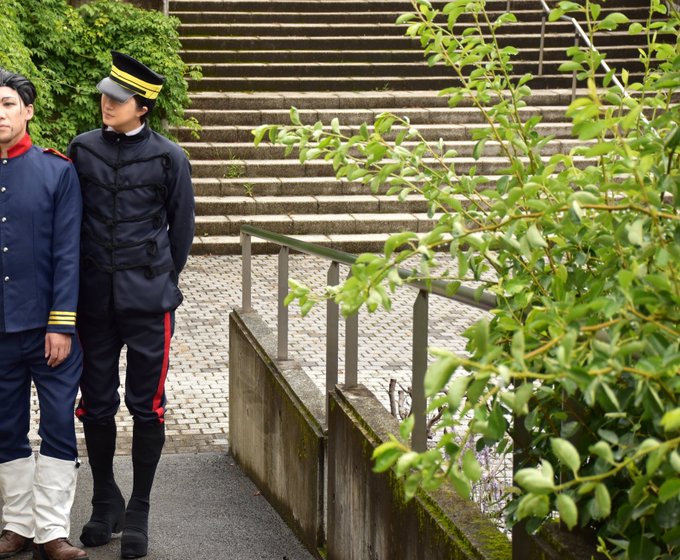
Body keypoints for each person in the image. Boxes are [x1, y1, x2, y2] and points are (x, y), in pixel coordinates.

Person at [67, 51, 194, 559]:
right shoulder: (82, 149)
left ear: (142, 107)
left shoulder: (170, 158)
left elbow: (181, 232)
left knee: (148, 405)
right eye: (105, 95)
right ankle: (105, 499)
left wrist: (155, 278)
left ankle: (139, 508)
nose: (107, 103)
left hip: (148, 304)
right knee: (95, 403)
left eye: (118, 99)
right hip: (93, 302)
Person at [0, 68, 86, 560]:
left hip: (47, 330)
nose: (1, 114)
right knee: (5, 427)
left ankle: (52, 531)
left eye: (8, 103)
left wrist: (61, 324)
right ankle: (17, 526)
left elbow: (68, 254)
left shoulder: (57, 171)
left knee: (56, 423)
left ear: (27, 111)